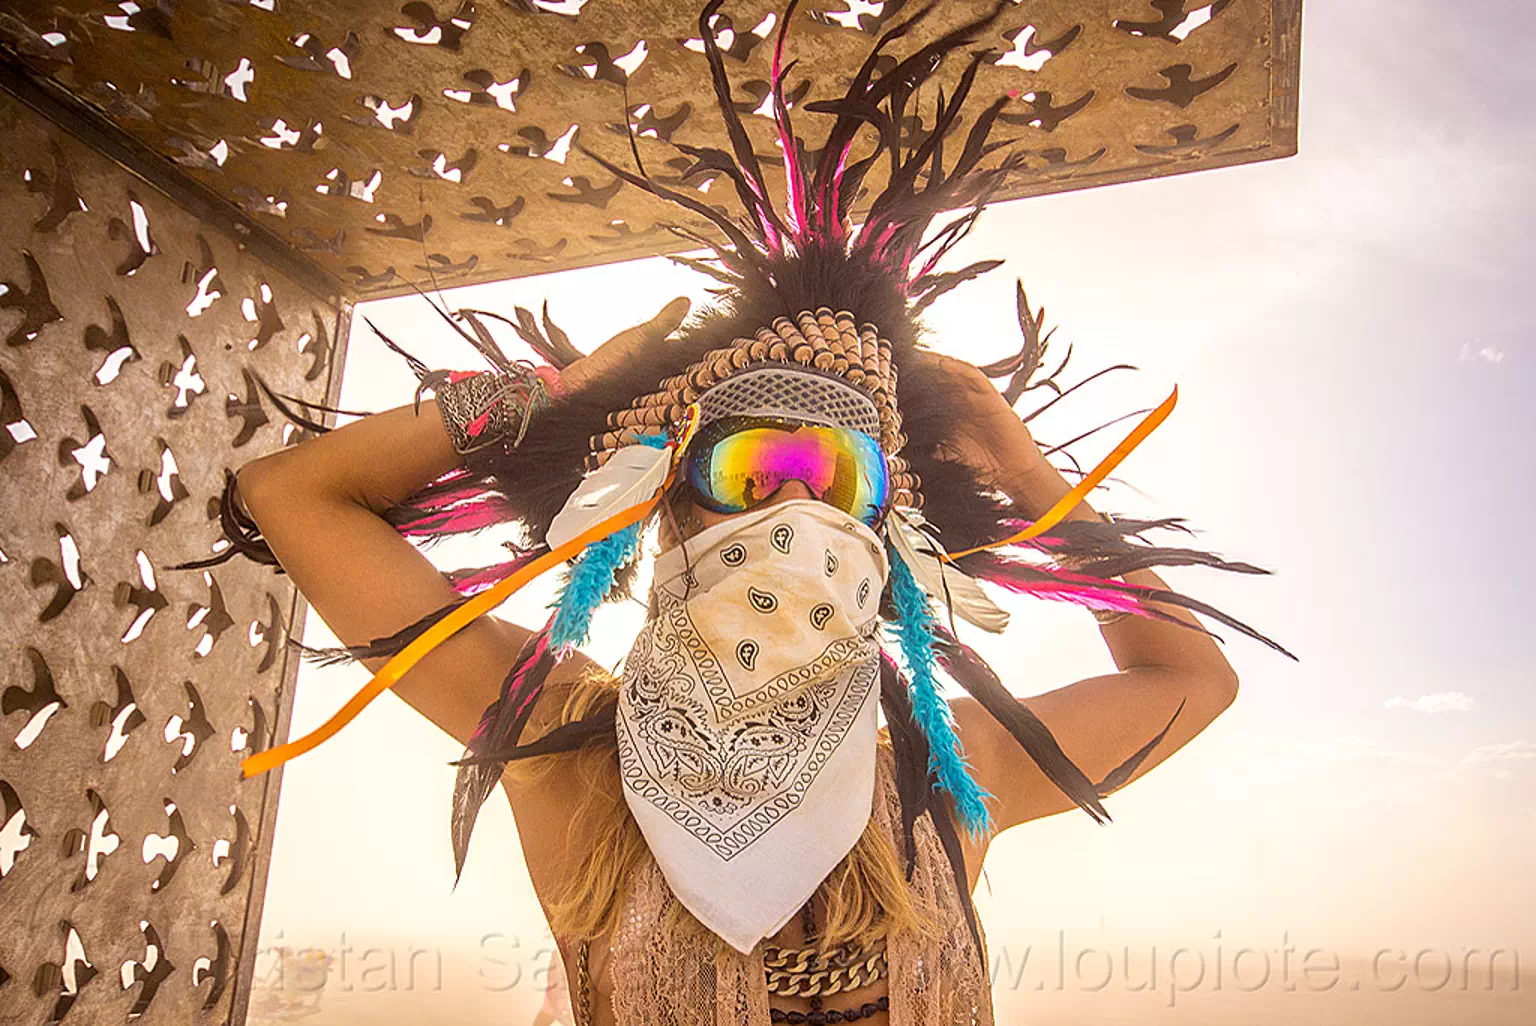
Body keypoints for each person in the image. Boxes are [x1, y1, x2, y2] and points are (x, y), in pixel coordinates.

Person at [217, 5, 1292, 1022]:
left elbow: (1191, 683)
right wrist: (552, 393)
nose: (797, 505)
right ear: (662, 507)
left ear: (887, 541)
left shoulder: (948, 775)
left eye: (839, 478)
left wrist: (1022, 466)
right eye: (753, 464)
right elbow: (292, 495)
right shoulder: (566, 745)